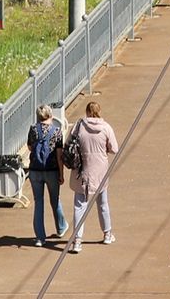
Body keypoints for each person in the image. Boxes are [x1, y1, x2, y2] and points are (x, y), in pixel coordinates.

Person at [66, 101, 119, 253]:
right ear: (99, 111)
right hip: (100, 170)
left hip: (81, 171)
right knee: (102, 203)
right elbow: (114, 148)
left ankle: (77, 241)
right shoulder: (106, 128)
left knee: (79, 206)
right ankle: (107, 234)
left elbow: (68, 143)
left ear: (87, 111)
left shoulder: (79, 125)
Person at [27, 104, 66, 246]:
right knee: (54, 200)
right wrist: (61, 174)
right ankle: (61, 227)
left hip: (35, 171)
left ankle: (39, 238)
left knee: (38, 202)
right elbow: (59, 154)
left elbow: (30, 147)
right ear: (51, 115)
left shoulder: (33, 129)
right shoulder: (57, 131)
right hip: (52, 170)